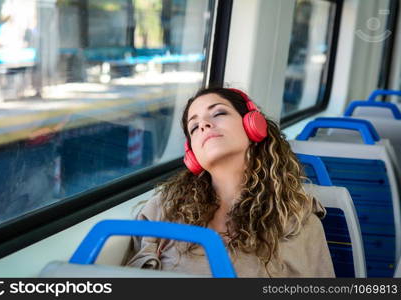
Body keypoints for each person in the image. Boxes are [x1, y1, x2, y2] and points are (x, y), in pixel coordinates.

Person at [124, 87, 335, 277]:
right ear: (192, 155)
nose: (204, 125)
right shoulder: (165, 208)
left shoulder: (297, 220)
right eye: (194, 127)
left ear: (253, 125)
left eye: (218, 113)